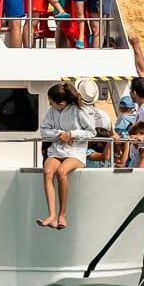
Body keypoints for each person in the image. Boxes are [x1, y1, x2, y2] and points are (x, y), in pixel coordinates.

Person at [37, 83, 95, 229]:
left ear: (62, 103)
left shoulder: (79, 111)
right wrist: (60, 135)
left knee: (61, 172)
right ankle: (51, 215)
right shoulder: (51, 112)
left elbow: (91, 132)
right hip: (57, 150)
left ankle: (62, 214)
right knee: (48, 171)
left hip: (75, 152)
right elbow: (44, 130)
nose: (49, 103)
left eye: (51, 101)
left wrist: (72, 134)